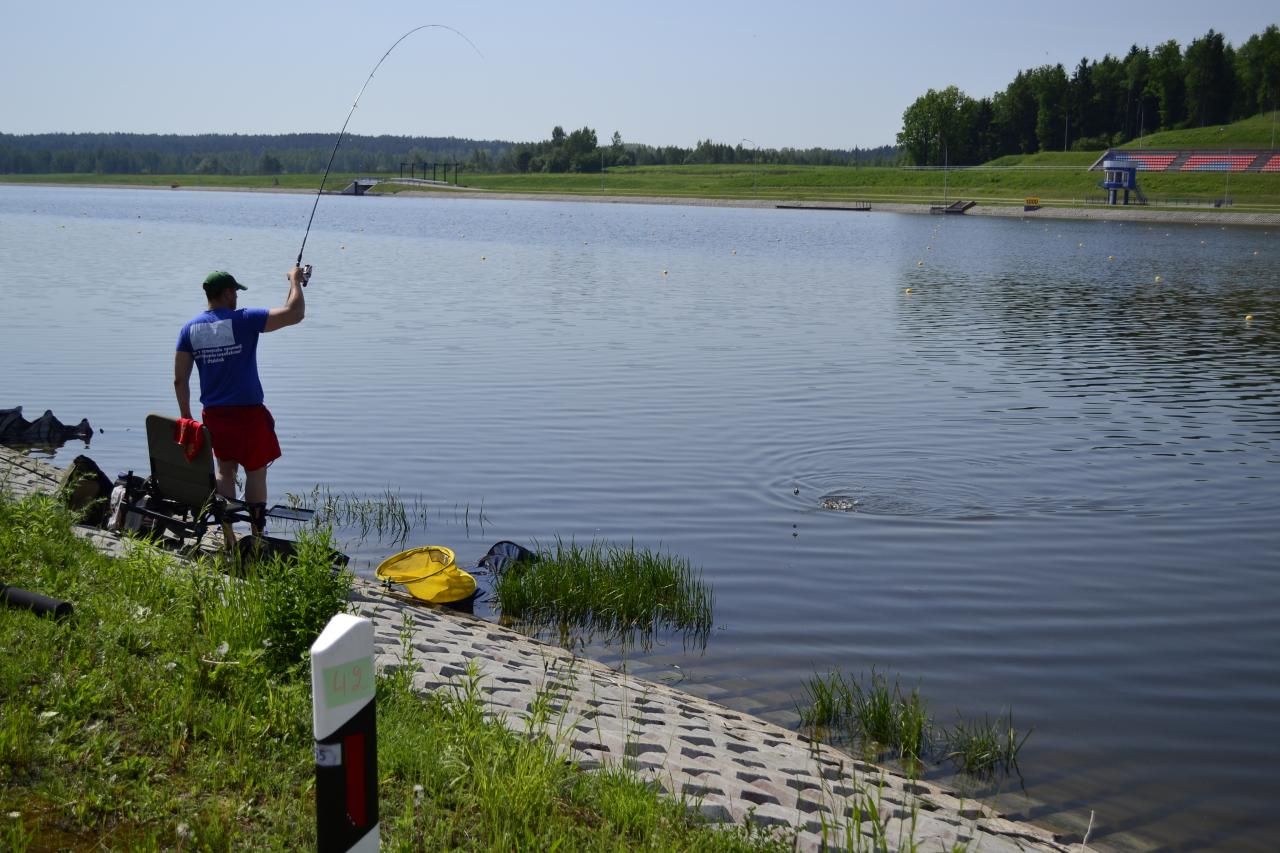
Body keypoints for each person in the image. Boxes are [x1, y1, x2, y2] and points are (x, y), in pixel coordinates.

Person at [174, 266, 306, 538]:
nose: (237, 297)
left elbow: (179, 380)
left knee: (225, 471)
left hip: (214, 416)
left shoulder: (189, 330)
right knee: (255, 472)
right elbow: (295, 314)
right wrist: (295, 280)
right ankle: (257, 537)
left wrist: (186, 417)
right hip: (249, 415)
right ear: (226, 293)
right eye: (235, 292)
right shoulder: (244, 319)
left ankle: (228, 535)